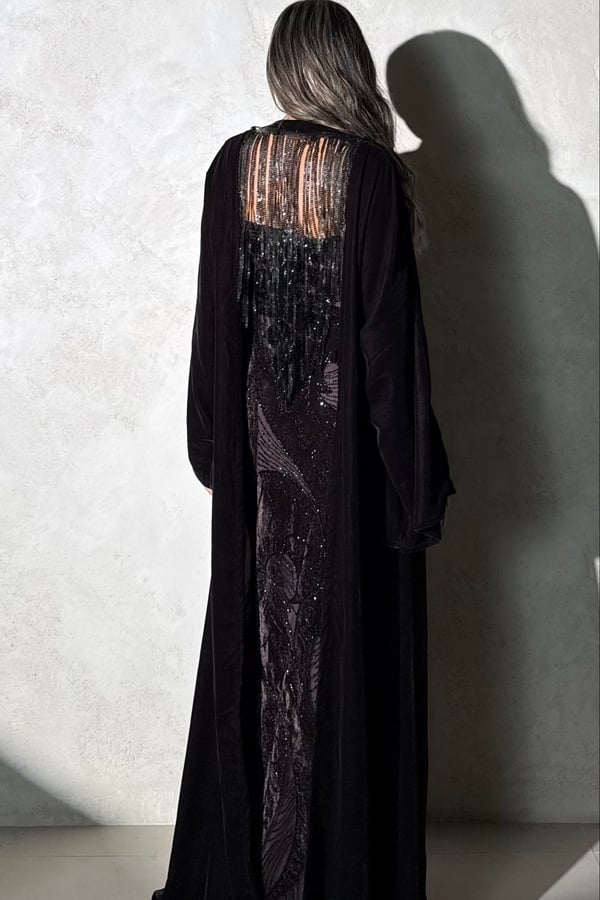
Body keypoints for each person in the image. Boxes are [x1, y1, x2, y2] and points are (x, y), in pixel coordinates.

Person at [152, 2, 456, 899]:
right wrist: (415, 487)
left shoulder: (233, 166)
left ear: (287, 66)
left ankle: (250, 873)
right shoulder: (369, 175)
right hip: (350, 474)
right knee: (346, 660)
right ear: (350, 67)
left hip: (259, 472)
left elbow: (214, 329)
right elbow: (389, 350)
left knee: (259, 652)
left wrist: (213, 446)